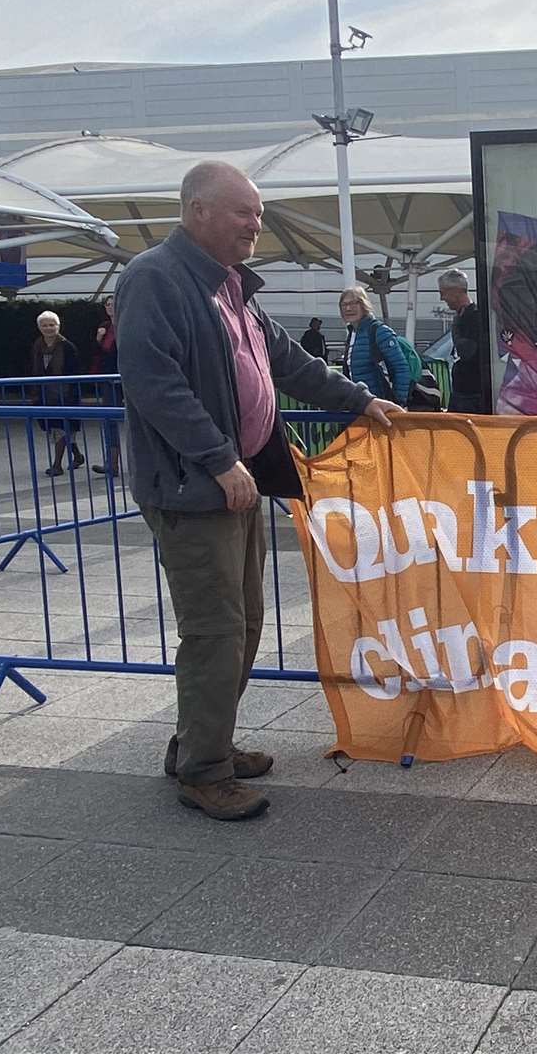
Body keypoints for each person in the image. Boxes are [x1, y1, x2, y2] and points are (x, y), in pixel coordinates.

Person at [115, 160, 402, 822]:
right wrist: (219, 459)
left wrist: (359, 401)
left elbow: (287, 361)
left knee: (242, 624)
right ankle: (204, 771)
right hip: (197, 489)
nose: (255, 223)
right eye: (243, 211)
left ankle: (199, 743)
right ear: (198, 213)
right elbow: (153, 381)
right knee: (216, 630)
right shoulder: (156, 278)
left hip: (231, 484)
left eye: (258, 212)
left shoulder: (230, 287)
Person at [29, 311, 83, 476]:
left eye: (52, 325)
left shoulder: (68, 347)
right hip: (46, 393)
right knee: (59, 428)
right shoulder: (37, 346)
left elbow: (75, 371)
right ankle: (78, 456)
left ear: (58, 326)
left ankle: (57, 465)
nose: (48, 328)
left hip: (65, 394)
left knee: (61, 427)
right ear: (39, 328)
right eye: (44, 325)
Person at [339, 286, 412, 406]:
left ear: (364, 305)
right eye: (344, 304)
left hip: (381, 406)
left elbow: (401, 368)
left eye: (354, 303)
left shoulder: (379, 331)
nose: (348, 308)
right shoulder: (352, 334)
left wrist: (398, 403)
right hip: (362, 405)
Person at [438, 268, 484, 413]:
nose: (441, 298)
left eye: (443, 292)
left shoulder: (475, 317)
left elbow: (467, 351)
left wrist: (456, 327)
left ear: (455, 291)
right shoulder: (467, 315)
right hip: (465, 391)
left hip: (471, 394)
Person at [91, 296, 122, 478]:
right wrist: (98, 338)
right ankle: (112, 464)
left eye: (114, 304)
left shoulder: (130, 322)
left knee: (140, 420)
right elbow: (97, 354)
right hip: (109, 380)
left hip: (129, 378)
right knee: (109, 420)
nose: (111, 307)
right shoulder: (104, 327)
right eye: (108, 304)